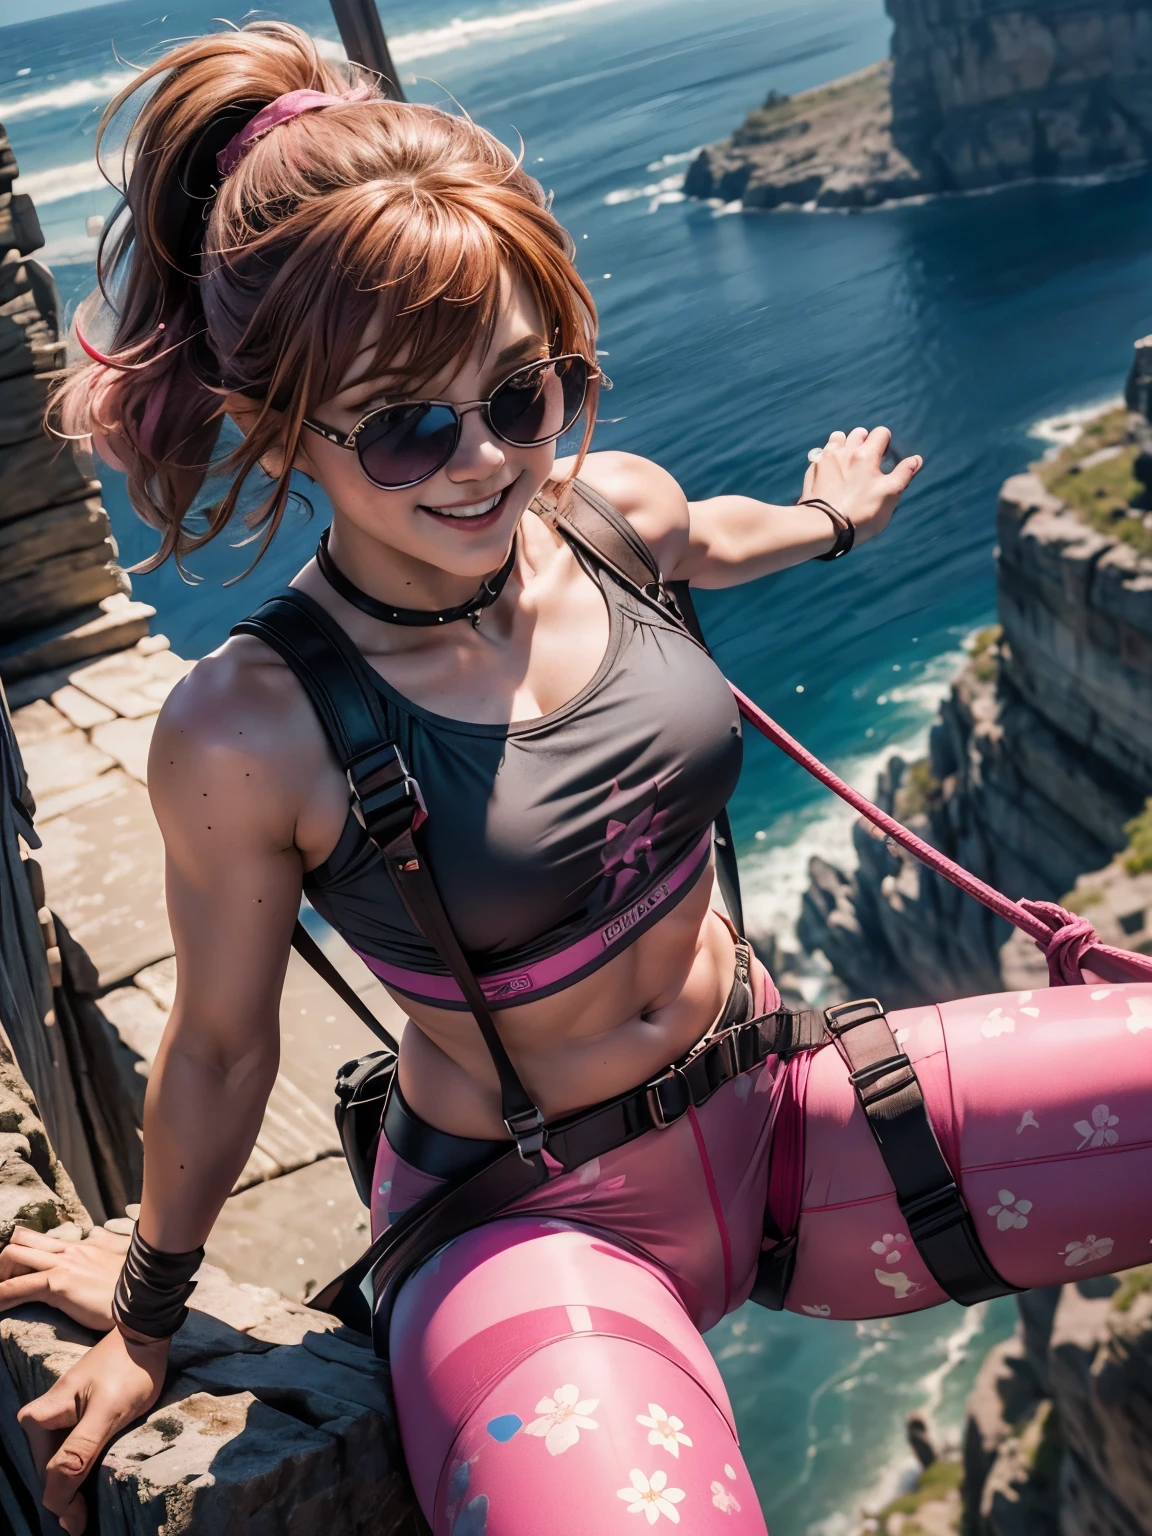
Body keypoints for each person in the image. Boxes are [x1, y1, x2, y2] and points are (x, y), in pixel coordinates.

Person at [13, 18, 1147, 1536]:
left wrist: (836, 524)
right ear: (279, 429)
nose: (486, 461)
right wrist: (150, 1311)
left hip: (790, 1113)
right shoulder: (250, 729)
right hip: (526, 1232)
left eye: (521, 394)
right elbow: (219, 1051)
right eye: (410, 428)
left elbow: (709, 538)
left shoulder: (604, 515)